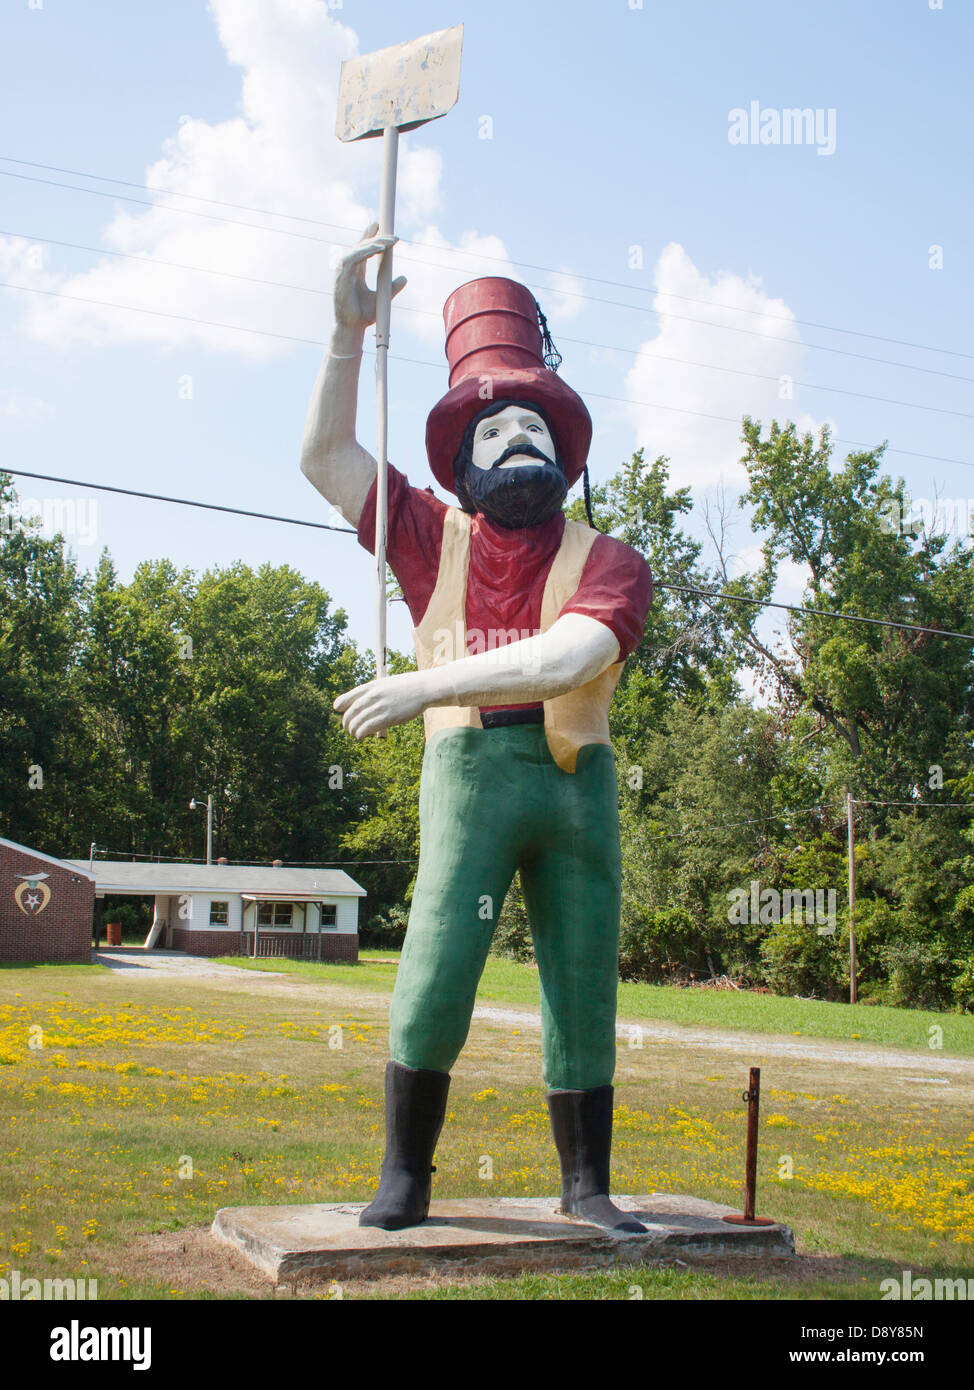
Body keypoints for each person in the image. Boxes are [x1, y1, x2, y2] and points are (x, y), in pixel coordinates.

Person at [300, 226, 653, 1234]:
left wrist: (421, 686)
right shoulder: (426, 533)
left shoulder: (608, 557)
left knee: (582, 980)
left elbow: (566, 659)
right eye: (493, 429)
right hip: (468, 777)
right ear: (461, 459)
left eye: (532, 423)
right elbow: (324, 458)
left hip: (574, 783)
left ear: (562, 443)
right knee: (436, 963)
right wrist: (343, 338)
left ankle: (586, 1182)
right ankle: (404, 1174)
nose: (517, 441)